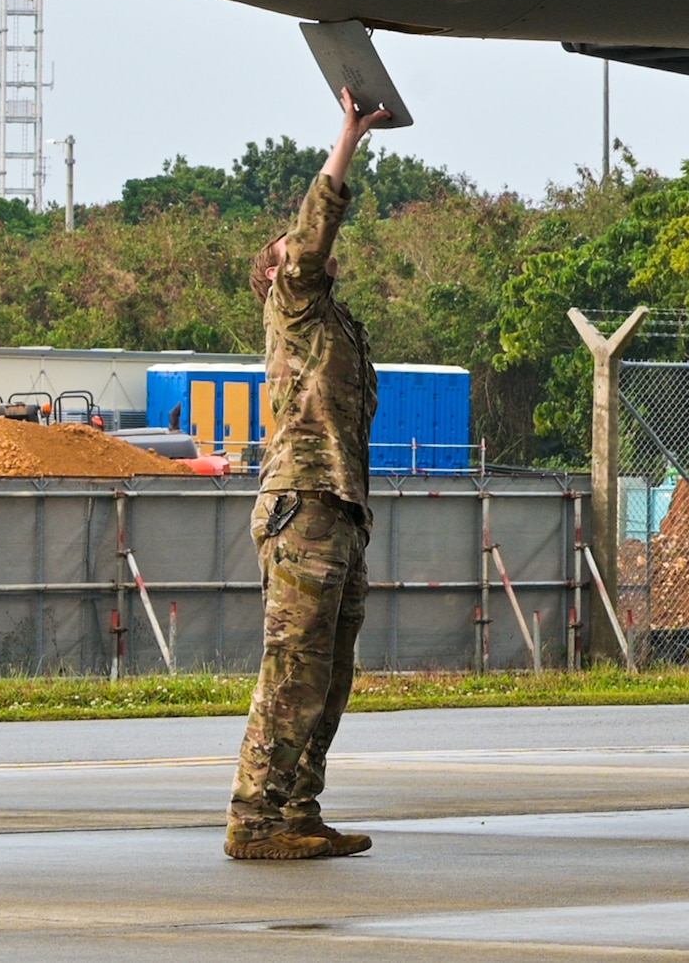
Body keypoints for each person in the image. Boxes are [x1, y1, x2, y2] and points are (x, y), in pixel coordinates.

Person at [227, 88, 391, 861]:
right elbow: (317, 224)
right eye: (290, 253)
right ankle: (254, 818)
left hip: (339, 510)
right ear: (279, 274)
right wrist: (350, 134)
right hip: (304, 506)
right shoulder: (292, 304)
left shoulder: (333, 329)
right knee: (293, 669)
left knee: (328, 676)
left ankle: (296, 809)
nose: (304, 255)